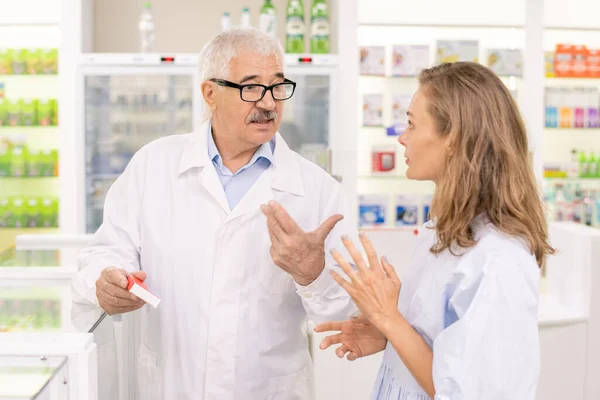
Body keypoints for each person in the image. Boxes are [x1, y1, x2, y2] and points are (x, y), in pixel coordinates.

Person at [71, 28, 357, 400]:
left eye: (277, 87)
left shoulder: (317, 190)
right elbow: (106, 251)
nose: (269, 103)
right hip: (171, 385)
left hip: (266, 389)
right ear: (210, 93)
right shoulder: (153, 165)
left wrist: (313, 274)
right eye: (251, 88)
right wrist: (104, 280)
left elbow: (345, 315)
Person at [315, 62, 555, 400]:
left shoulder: (499, 258)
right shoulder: (444, 228)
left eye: (412, 124)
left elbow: (470, 393)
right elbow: (443, 348)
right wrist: (389, 334)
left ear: (453, 138)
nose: (402, 137)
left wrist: (390, 318)